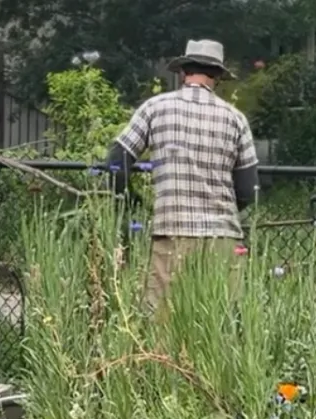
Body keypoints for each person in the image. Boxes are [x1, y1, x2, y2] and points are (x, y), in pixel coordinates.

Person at [107, 39, 259, 312]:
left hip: (171, 232)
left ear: (182, 72)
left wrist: (132, 200)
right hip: (222, 238)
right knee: (218, 323)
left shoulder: (154, 108)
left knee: (163, 326)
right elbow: (249, 189)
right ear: (218, 77)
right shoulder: (235, 119)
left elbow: (116, 162)